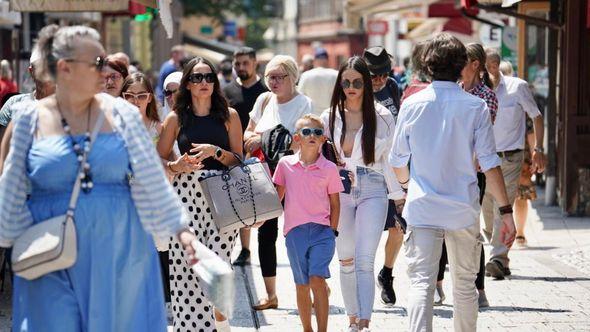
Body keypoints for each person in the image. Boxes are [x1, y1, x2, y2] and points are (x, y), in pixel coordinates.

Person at [0, 24, 198, 331]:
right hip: (51, 252)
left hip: (120, 248)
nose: (106, 73)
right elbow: (9, 189)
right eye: (96, 64)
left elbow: (151, 177)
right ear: (64, 68)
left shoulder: (124, 114)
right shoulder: (28, 119)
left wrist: (181, 231)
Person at [390, 33, 515, 332]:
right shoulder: (475, 107)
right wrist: (506, 211)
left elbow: (396, 162)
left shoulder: (412, 104)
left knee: (421, 283)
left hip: (422, 206)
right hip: (462, 207)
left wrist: (408, 186)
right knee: (464, 285)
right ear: (462, 65)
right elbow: (490, 163)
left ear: (427, 65)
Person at [157, 56, 243, 332]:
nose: (204, 82)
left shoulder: (229, 116)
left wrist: (215, 152)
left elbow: (239, 161)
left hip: (221, 198)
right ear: (187, 84)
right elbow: (156, 159)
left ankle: (222, 325)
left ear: (216, 83)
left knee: (217, 268)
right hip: (185, 197)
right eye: (197, 77)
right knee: (186, 271)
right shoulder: (176, 118)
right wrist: (175, 164)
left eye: (209, 77)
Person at [321, 56, 397, 332]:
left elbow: (390, 160)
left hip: (373, 187)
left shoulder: (383, 116)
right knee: (346, 258)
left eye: (357, 81)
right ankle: (352, 317)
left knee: (365, 259)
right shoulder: (329, 116)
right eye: (346, 81)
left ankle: (364, 321)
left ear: (366, 83)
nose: (351, 87)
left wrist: (399, 196)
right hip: (340, 191)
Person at [243, 54, 313, 310]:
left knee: (297, 233)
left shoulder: (304, 103)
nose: (273, 82)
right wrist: (259, 138)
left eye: (279, 77)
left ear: (293, 77)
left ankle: (313, 286)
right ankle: (270, 294)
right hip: (263, 174)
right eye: (270, 77)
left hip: (294, 175)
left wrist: (262, 139)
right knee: (266, 233)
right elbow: (248, 132)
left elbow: (301, 140)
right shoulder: (263, 100)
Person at [434, 43, 499, 308]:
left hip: (474, 172)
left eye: (462, 61)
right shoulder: (454, 91)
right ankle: (437, 286)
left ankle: (479, 288)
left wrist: (469, 164)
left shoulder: (487, 97)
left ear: (474, 65)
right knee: (440, 226)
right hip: (448, 169)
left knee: (469, 230)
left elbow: (482, 141)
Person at [272, 114, 343, 332]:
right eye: (306, 132)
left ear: (323, 139)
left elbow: (335, 202)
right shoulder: (285, 165)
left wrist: (332, 230)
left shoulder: (330, 168)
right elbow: (277, 197)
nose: (312, 135)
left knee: (317, 279)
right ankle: (307, 329)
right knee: (302, 284)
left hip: (323, 232)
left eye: (317, 132)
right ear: (297, 138)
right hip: (295, 232)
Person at [483, 48, 545, 279]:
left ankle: (497, 258)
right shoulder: (476, 91)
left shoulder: (516, 87)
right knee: (488, 211)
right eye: (484, 67)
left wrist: (538, 149)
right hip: (484, 158)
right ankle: (501, 254)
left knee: (504, 206)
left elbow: (536, 116)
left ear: (497, 65)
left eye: (492, 65)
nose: (489, 71)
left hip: (511, 157)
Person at [362, 46, 405, 306]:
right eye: (374, 75)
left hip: (395, 168)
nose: (379, 80)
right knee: (369, 232)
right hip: (368, 171)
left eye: (383, 74)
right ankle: (362, 277)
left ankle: (387, 273)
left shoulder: (392, 88)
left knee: (398, 226)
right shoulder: (357, 91)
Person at [222, 47, 268, 267]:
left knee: (262, 205)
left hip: (260, 155)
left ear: (255, 63)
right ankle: (245, 249)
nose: (241, 67)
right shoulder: (227, 91)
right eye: (237, 63)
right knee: (239, 202)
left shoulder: (265, 91)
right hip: (233, 154)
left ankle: (260, 247)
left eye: (245, 63)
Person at [0, 45, 56, 144]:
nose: (46, 73)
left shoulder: (71, 108)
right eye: (40, 67)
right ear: (31, 71)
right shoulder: (14, 104)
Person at [298, 47, 338, 116]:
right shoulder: (336, 74)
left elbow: (299, 98)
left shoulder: (306, 75)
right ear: (327, 60)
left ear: (315, 60)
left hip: (312, 118)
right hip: (331, 117)